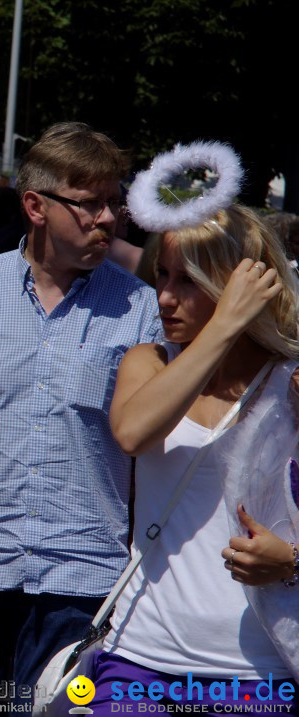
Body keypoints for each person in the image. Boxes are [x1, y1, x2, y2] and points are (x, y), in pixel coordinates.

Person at [0, 122, 163, 700]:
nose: (107, 218)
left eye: (112, 203)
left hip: (83, 583)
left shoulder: (141, 311)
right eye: (89, 204)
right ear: (34, 206)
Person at [97, 203, 299, 709]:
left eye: (187, 281)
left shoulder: (290, 382)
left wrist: (292, 561)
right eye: (160, 275)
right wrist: (224, 326)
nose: (164, 297)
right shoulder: (148, 361)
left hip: (256, 671)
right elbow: (133, 434)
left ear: (235, 286)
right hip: (136, 654)